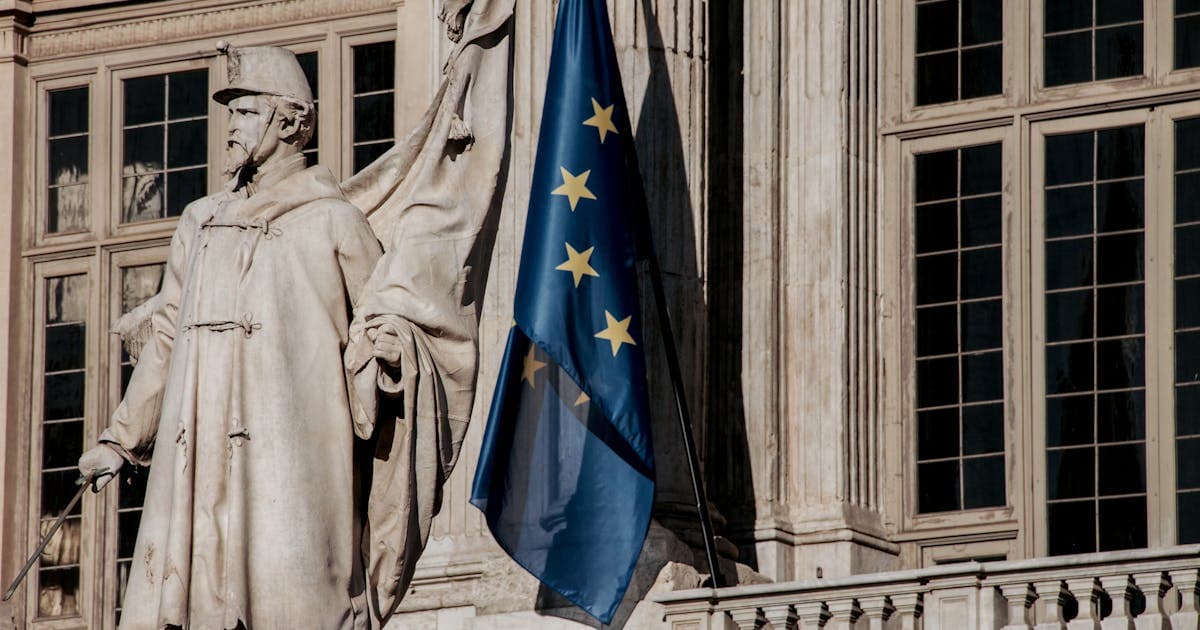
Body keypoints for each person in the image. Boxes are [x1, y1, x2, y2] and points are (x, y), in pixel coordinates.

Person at [77, 43, 397, 630]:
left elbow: (379, 329)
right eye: (231, 112)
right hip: (199, 459)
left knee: (292, 603)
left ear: (290, 122)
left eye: (246, 112)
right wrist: (120, 441)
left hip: (292, 461)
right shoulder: (200, 222)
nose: (231, 126)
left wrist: (388, 357)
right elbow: (167, 338)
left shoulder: (335, 221)